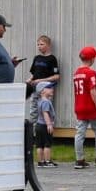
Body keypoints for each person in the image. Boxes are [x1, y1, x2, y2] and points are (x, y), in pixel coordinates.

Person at [26, 35, 61, 167]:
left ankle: (46, 130)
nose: (39, 47)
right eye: (38, 44)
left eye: (41, 44)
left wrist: (41, 81)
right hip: (35, 87)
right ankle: (36, 133)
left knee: (45, 109)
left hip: (45, 87)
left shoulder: (52, 59)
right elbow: (33, 74)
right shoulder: (36, 58)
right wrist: (29, 80)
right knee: (34, 110)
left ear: (48, 45)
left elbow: (56, 76)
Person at [72, 44, 96, 165]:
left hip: (79, 106)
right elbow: (93, 91)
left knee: (80, 133)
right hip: (90, 106)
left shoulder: (76, 73)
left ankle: (79, 159)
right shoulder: (91, 73)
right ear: (91, 59)